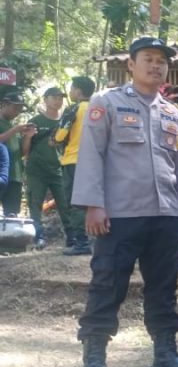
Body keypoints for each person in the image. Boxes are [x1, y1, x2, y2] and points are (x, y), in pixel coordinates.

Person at [74, 36, 178, 367]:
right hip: (119, 215)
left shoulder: (172, 112)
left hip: (166, 215)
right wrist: (94, 204)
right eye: (148, 58)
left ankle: (166, 354)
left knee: (164, 286)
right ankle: (94, 360)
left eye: (162, 60)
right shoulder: (106, 103)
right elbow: (91, 154)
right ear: (131, 64)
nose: (156, 65)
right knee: (107, 284)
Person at [23, 86, 74, 249]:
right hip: (36, 170)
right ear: (45, 100)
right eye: (54, 97)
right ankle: (38, 237)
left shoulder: (65, 121)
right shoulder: (36, 121)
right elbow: (25, 151)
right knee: (35, 204)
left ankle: (72, 237)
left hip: (59, 169)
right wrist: (28, 137)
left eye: (60, 98)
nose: (58, 101)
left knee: (65, 204)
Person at [54, 76, 96, 255]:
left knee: (76, 202)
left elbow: (59, 136)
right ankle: (98, 240)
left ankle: (82, 243)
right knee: (94, 201)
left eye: (72, 89)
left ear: (78, 91)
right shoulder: (99, 108)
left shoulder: (74, 109)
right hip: (95, 162)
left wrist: (54, 139)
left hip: (74, 161)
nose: (70, 92)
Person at [0, 89, 34, 216]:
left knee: (12, 215)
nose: (17, 112)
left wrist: (28, 137)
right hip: (1, 174)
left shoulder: (12, 126)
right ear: (4, 104)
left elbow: (22, 152)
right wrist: (15, 130)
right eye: (15, 108)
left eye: (20, 109)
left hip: (15, 176)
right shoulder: (13, 128)